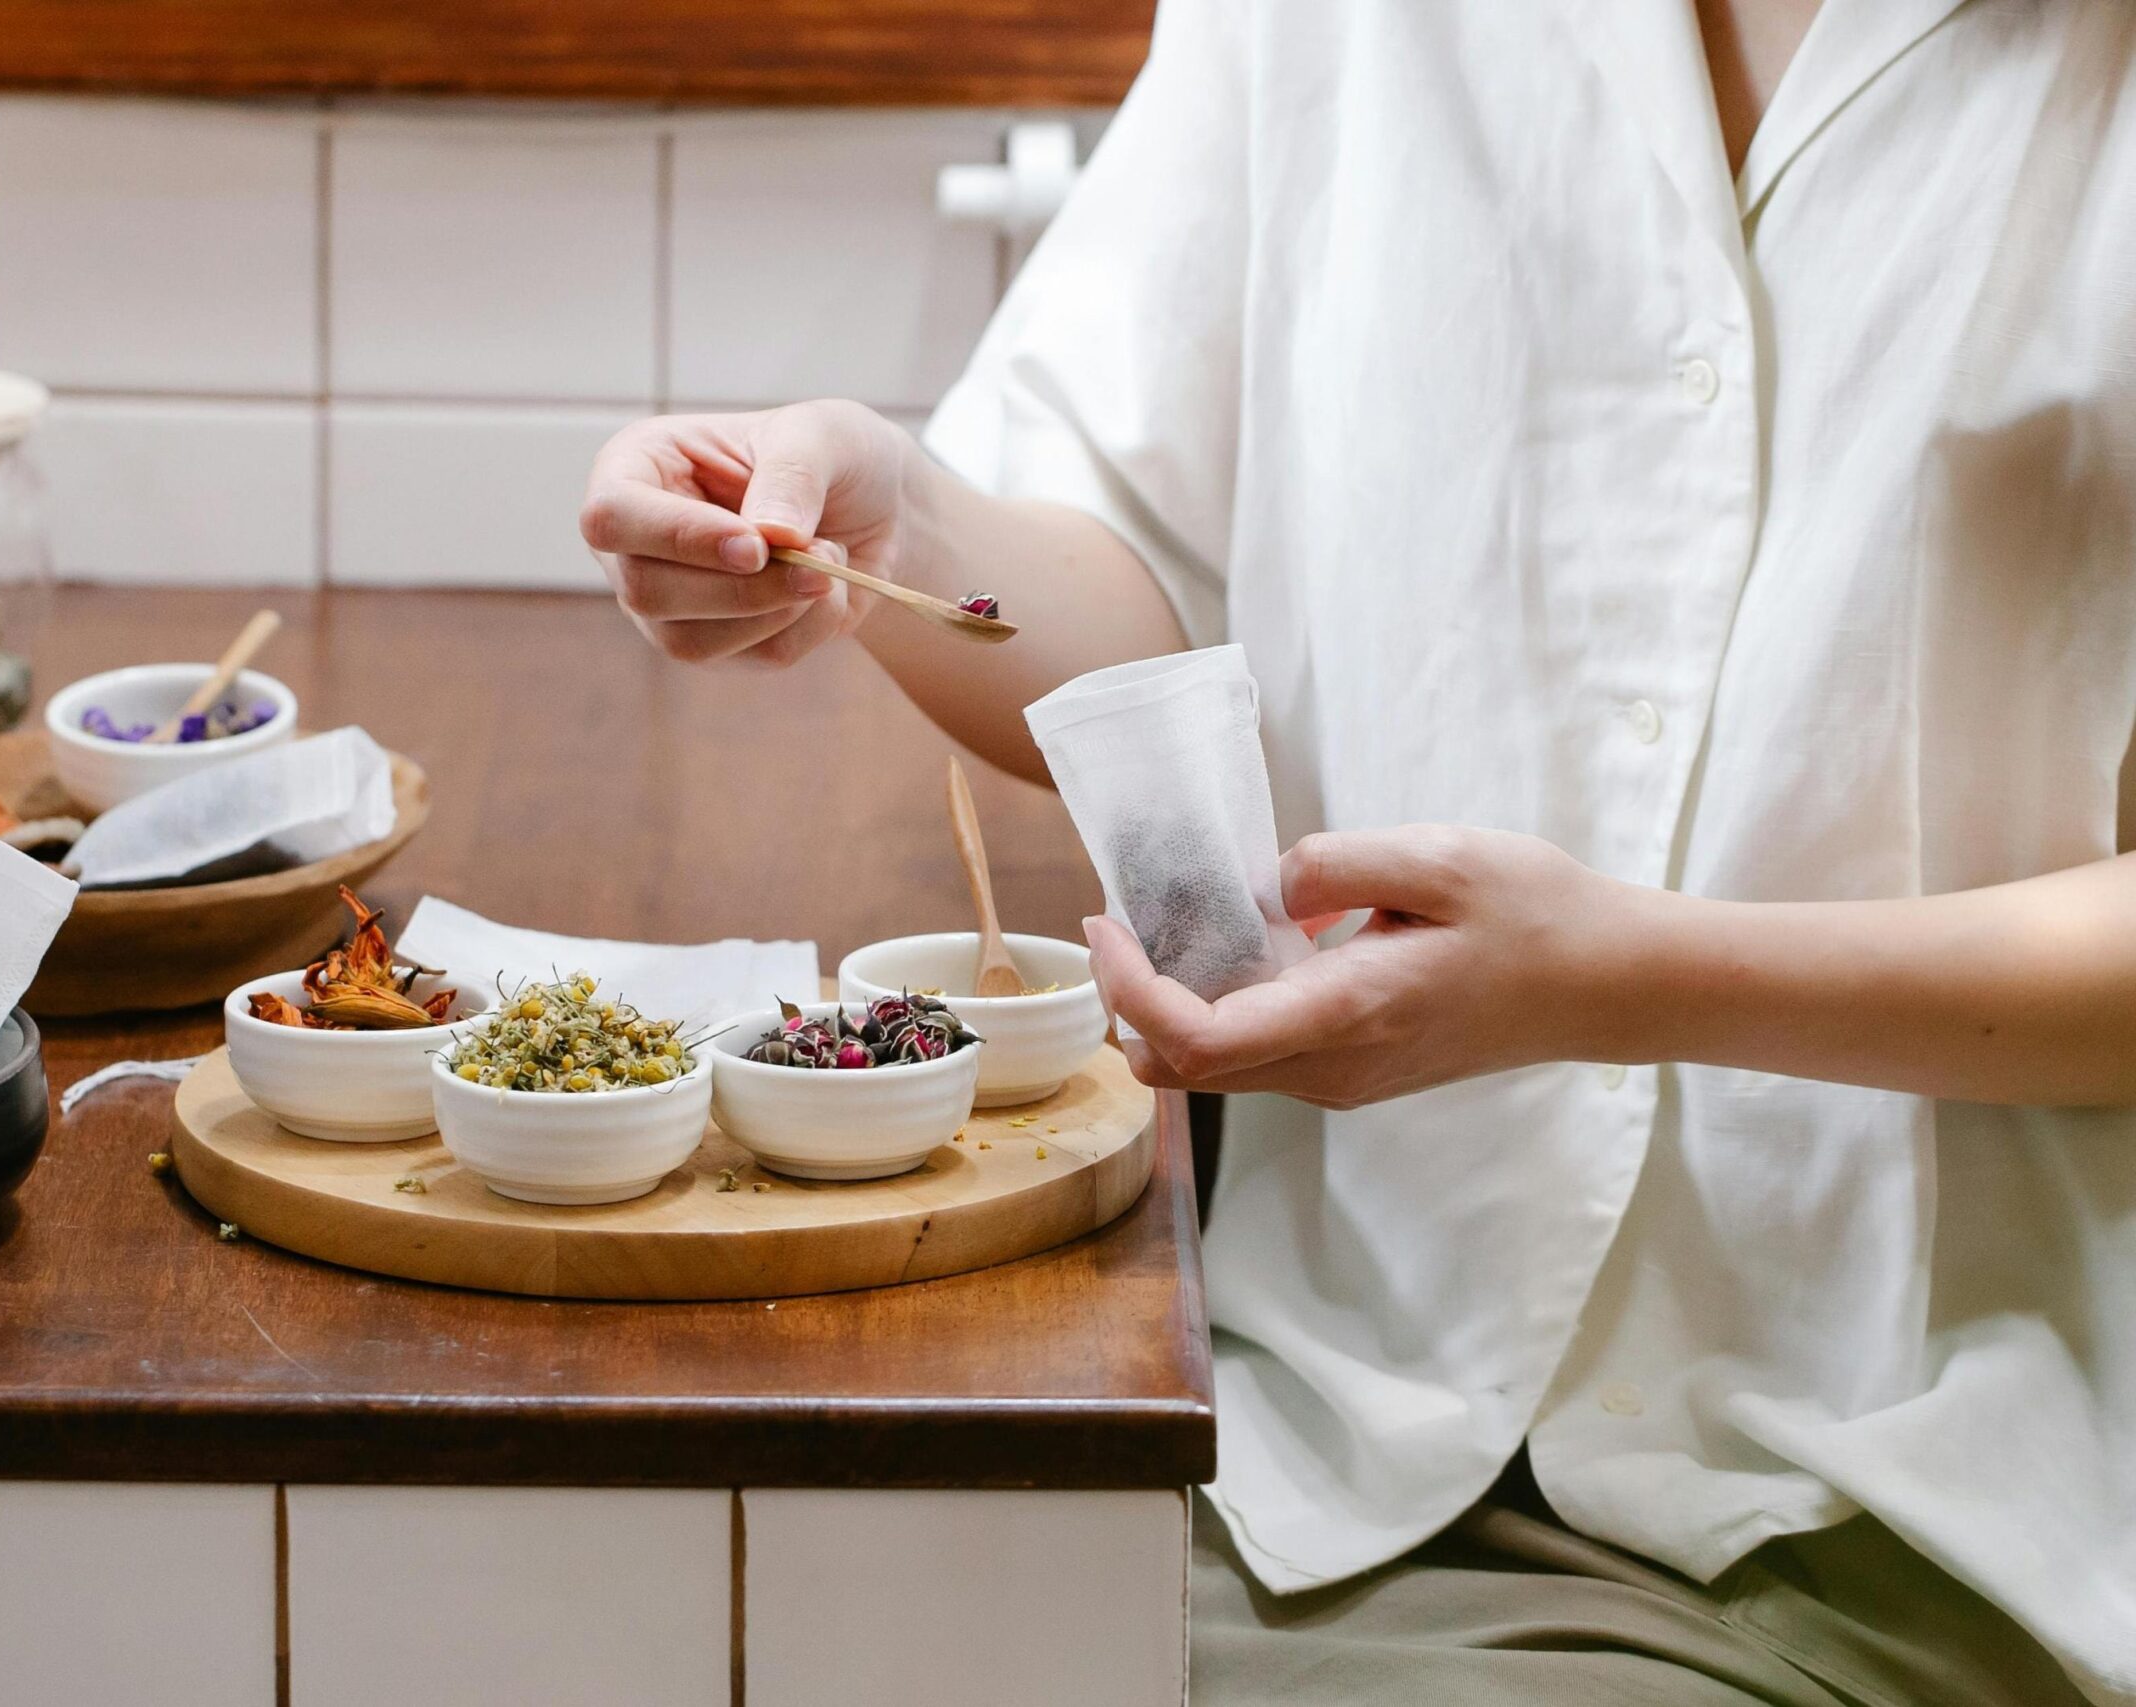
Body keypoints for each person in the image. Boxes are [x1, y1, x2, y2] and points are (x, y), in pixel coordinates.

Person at [580, 0, 2136, 1700]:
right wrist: (901, 528)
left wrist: (1620, 985)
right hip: (1304, 1413)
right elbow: (1140, 608)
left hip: (1901, 1494)